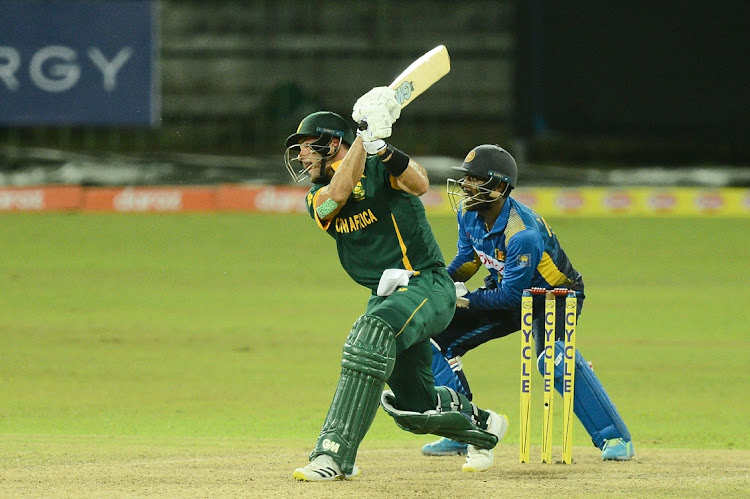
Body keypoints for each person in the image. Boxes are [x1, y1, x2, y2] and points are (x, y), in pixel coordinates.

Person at [283, 89, 508, 482]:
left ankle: (333, 455)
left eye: (305, 146)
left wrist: (381, 146)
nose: (301, 156)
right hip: (389, 297)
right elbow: (337, 196)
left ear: (329, 143)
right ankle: (483, 425)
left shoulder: (379, 164)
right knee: (415, 410)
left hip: (428, 284)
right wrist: (362, 138)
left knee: (368, 334)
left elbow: (420, 184)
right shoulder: (316, 196)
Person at [421, 144, 635, 461]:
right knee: (435, 342)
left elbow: (510, 298)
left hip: (556, 295)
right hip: (509, 288)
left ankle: (615, 438)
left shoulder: (522, 233)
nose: (466, 185)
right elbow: (468, 263)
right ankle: (463, 431)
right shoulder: (468, 214)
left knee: (553, 360)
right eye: (466, 177)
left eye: (475, 178)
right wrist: (431, 283)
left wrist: (463, 301)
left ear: (500, 187)